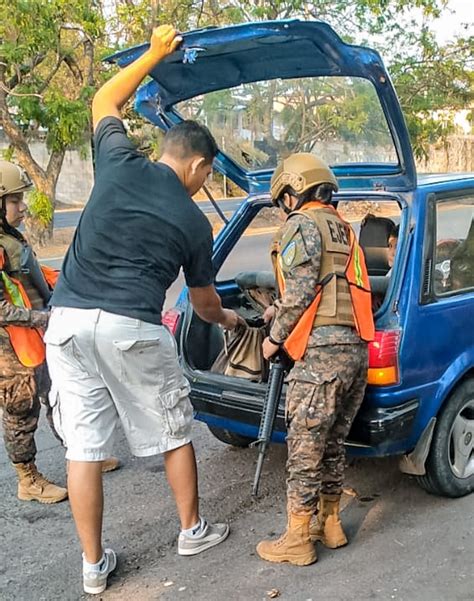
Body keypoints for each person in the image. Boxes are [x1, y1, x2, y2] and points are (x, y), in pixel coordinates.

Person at [45, 25, 242, 595]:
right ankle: (192, 530)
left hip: (68, 322)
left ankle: (92, 566)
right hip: (130, 325)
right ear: (200, 166)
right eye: (209, 173)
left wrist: (155, 55)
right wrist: (231, 320)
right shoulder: (192, 220)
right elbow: (204, 305)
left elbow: (103, 99)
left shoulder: (118, 161)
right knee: (174, 428)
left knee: (84, 447)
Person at [256, 153, 374, 566]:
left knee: (305, 449)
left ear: (292, 190)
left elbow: (304, 287)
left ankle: (297, 539)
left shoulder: (301, 224)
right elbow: (332, 286)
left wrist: (273, 337)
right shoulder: (342, 228)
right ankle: (331, 523)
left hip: (321, 356)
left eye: (283, 196)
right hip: (355, 351)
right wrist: (280, 308)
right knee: (332, 443)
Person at [0, 160, 68, 504]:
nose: (22, 207)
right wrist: (39, 318)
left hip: (35, 337)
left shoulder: (10, 237)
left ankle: (78, 456)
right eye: (15, 200)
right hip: (12, 349)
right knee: (21, 411)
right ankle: (28, 480)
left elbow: (30, 275)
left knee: (59, 396)